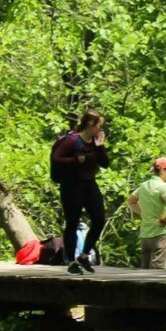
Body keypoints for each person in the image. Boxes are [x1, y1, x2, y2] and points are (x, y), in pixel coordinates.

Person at [50, 110, 109, 275]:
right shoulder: (71, 141)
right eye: (99, 126)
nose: (101, 129)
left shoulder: (95, 142)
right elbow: (56, 158)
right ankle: (71, 261)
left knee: (99, 219)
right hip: (71, 185)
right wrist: (76, 160)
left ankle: (84, 255)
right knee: (72, 222)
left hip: (89, 184)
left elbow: (105, 163)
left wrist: (100, 146)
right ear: (90, 125)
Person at [128, 156, 166, 270]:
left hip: (145, 235)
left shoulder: (144, 185)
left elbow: (131, 201)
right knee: (157, 271)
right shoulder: (163, 186)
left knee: (145, 271)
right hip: (161, 234)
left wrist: (143, 213)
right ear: (163, 170)